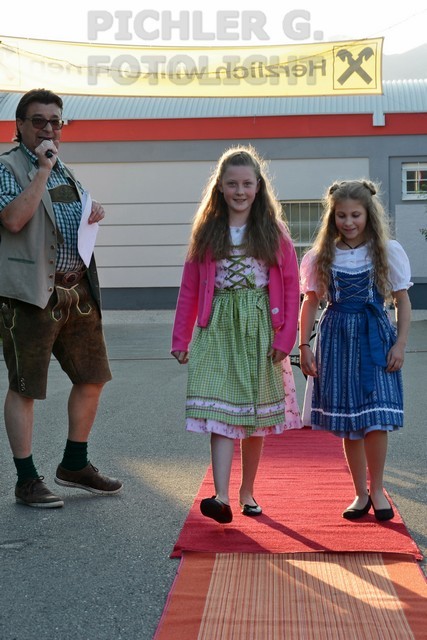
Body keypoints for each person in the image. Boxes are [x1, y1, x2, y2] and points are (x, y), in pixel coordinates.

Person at [0, 88, 123, 508]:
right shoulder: (9, 167)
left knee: (92, 378)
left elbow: (69, 215)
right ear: (20, 125)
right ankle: (26, 479)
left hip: (77, 290)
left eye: (56, 121)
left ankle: (74, 463)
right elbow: (14, 220)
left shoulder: (63, 169)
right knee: (25, 387)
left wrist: (92, 209)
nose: (49, 128)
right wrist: (41, 170)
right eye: (39, 121)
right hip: (31, 293)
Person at [171, 145, 301, 524]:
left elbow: (291, 286)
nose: (240, 191)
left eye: (246, 183)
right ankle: (221, 496)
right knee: (221, 411)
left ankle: (247, 491)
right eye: (232, 184)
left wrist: (285, 339)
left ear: (258, 186)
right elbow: (189, 288)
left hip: (260, 326)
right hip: (218, 327)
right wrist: (181, 338)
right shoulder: (208, 231)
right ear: (220, 187)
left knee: (254, 416)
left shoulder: (273, 231)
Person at [299, 179, 412, 521]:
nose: (348, 222)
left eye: (355, 215)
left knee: (376, 419)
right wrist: (304, 346)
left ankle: (377, 490)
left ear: (368, 215)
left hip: (374, 336)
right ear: (332, 217)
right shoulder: (322, 255)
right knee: (351, 421)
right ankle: (360, 493)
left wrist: (400, 344)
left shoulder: (385, 250)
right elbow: (311, 302)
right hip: (337, 339)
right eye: (341, 215)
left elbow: (402, 300)